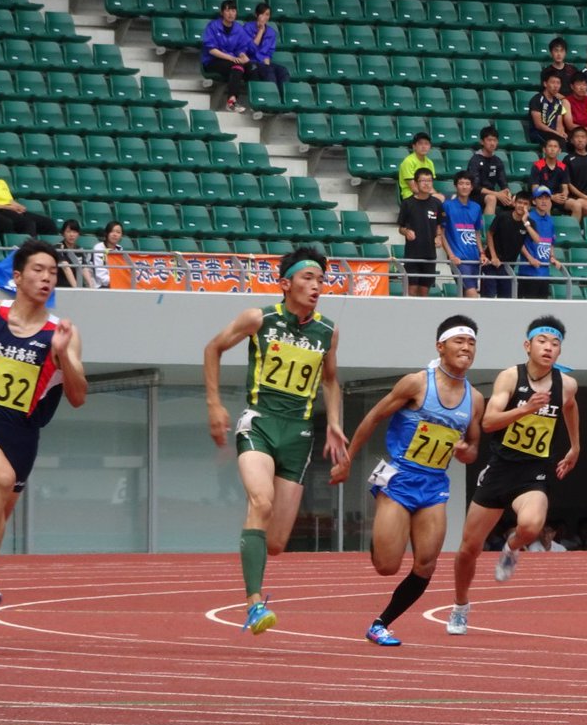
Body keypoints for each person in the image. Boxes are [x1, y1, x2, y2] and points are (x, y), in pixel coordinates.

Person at [203, 247, 346, 636]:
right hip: (260, 423)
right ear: (285, 284)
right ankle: (252, 605)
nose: (316, 286)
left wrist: (334, 422)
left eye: (321, 280)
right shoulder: (259, 318)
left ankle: (254, 539)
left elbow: (331, 380)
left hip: (298, 435)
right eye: (307, 278)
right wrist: (214, 404)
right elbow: (213, 348)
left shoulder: (327, 331)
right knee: (261, 501)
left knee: (278, 541)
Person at [330, 316, 484, 646]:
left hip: (434, 486)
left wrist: (464, 451)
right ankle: (382, 536)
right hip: (400, 479)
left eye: (471, 343)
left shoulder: (475, 400)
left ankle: (380, 624)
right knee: (387, 566)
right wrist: (346, 460)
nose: (466, 348)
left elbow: (473, 448)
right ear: (440, 346)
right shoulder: (416, 384)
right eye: (459, 341)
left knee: (426, 564)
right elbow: (373, 417)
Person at [0, 241, 86, 609]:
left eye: (53, 273)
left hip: (24, 439)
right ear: (17, 276)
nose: (47, 278)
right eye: (38, 270)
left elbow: (78, 397)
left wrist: (64, 358)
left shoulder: (62, 332)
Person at [447, 316, 580, 635]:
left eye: (555, 344)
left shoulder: (566, 384)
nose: (549, 348)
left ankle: (511, 548)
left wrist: (575, 447)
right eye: (543, 342)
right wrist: (526, 409)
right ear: (528, 345)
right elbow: (489, 422)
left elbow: (571, 408)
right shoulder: (510, 377)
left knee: (532, 525)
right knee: (469, 548)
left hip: (533, 472)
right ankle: (461, 606)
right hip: (499, 471)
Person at [0, 154, 57, 237]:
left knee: (48, 223)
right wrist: (10, 207)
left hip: (10, 209)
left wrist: (19, 206)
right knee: (28, 223)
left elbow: (10, 200)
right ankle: (29, 248)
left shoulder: (1, 182)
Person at [201, 0, 254, 113]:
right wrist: (231, 58)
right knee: (237, 67)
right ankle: (231, 103)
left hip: (231, 61)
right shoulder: (213, 26)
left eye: (233, 10)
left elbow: (240, 48)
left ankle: (256, 102)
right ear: (222, 13)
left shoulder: (238, 28)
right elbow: (211, 50)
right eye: (228, 10)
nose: (231, 14)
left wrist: (242, 55)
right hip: (213, 61)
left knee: (250, 66)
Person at [397, 168, 444, 297]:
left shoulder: (437, 204)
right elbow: (400, 228)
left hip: (429, 255)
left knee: (424, 293)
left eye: (429, 180)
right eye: (423, 180)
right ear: (416, 183)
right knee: (411, 291)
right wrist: (406, 232)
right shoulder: (408, 203)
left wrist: (439, 236)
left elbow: (439, 224)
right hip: (412, 255)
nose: (427, 184)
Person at [483, 192, 538, 299]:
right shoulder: (503, 216)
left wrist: (525, 222)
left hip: (508, 266)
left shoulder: (529, 223)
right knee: (489, 297)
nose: (521, 206)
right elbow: (490, 234)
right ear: (514, 203)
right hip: (491, 264)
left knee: (506, 299)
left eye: (525, 204)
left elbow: (536, 239)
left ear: (529, 207)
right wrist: (494, 256)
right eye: (519, 202)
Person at [440, 172, 486, 298]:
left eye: (467, 184)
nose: (464, 187)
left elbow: (476, 232)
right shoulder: (447, 206)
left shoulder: (476, 207)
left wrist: (481, 253)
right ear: (456, 186)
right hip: (459, 260)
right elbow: (441, 233)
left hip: (474, 259)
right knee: (472, 293)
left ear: (471, 187)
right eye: (461, 183)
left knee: (466, 296)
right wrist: (451, 255)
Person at [515, 187, 561, 299]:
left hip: (544, 273)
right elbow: (519, 242)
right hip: (528, 272)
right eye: (540, 198)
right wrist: (530, 258)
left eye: (547, 198)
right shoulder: (528, 217)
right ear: (534, 201)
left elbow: (551, 242)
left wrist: (552, 257)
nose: (544, 201)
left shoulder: (550, 220)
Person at [244, 2, 290, 99]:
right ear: (256, 15)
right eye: (262, 14)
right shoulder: (247, 28)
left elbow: (268, 53)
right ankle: (272, 99)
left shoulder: (271, 33)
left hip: (263, 62)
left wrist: (267, 62)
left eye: (267, 15)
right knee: (268, 71)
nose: (264, 17)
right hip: (250, 61)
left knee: (282, 70)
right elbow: (249, 50)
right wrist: (260, 31)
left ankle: (284, 99)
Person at [465, 126, 511, 215]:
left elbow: (503, 182)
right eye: (489, 140)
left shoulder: (497, 161)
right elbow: (475, 187)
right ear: (482, 142)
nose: (492, 143)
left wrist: (507, 193)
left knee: (516, 201)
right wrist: (496, 194)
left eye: (495, 140)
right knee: (491, 199)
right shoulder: (475, 160)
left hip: (492, 193)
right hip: (475, 195)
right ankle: (488, 228)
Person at [529, 136, 572, 214]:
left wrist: (564, 196)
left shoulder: (563, 167)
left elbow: (565, 187)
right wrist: (551, 197)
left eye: (555, 147)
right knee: (547, 205)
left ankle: (573, 226)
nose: (552, 149)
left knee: (577, 205)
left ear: (559, 151)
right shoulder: (537, 165)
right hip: (542, 198)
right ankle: (547, 226)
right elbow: (535, 189)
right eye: (550, 146)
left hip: (558, 198)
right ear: (544, 150)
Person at [528, 71, 569, 151]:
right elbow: (538, 124)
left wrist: (561, 133)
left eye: (558, 83)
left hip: (553, 134)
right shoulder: (537, 99)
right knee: (557, 142)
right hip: (538, 132)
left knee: (567, 141)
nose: (556, 86)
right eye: (553, 82)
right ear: (545, 84)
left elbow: (559, 124)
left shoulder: (559, 102)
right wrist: (556, 134)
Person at [397, 132, 439, 203]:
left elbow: (430, 186)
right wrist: (432, 197)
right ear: (414, 146)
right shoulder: (408, 161)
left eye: (426, 144)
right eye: (420, 143)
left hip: (426, 194)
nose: (424, 146)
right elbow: (414, 188)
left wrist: (437, 195)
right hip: (410, 196)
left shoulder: (430, 162)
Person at [88, 219, 124, 290]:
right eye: (112, 231)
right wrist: (118, 281)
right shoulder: (99, 248)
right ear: (107, 233)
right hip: (100, 286)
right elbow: (101, 276)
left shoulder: (120, 249)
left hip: (116, 284)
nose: (115, 234)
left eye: (118, 232)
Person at [54, 219, 88, 288]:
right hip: (62, 287)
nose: (71, 235)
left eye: (74, 232)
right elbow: (66, 268)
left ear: (78, 234)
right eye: (68, 232)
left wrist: (92, 288)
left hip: (78, 286)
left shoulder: (79, 249)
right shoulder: (58, 248)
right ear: (63, 233)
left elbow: (84, 269)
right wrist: (76, 289)